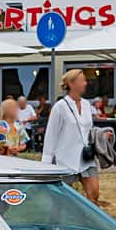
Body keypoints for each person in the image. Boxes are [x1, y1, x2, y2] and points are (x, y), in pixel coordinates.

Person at [43, 69, 100, 202]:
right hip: (66, 158)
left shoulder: (87, 105)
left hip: (86, 156)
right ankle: (57, 221)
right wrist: (46, 163)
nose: (86, 83)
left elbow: (87, 129)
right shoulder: (60, 107)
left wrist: (101, 137)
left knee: (94, 194)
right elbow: (51, 135)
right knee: (60, 199)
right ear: (71, 84)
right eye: (82, 80)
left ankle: (90, 221)